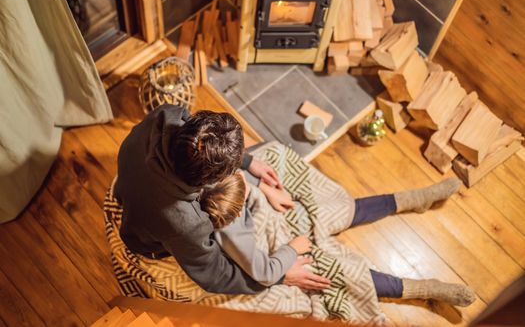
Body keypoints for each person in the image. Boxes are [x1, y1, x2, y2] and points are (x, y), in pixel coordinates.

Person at [114, 105, 330, 294]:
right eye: (232, 169)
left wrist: (246, 161)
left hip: (130, 182)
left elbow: (201, 142)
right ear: (208, 183)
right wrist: (279, 278)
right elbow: (216, 276)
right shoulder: (186, 223)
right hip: (144, 240)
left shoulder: (168, 115)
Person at [201, 172, 476, 307]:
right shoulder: (234, 232)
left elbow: (239, 176)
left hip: (275, 217)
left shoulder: (217, 178)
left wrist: (262, 187)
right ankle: (423, 288)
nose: (245, 180)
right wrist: (291, 250)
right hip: (275, 250)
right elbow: (264, 271)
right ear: (236, 209)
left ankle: (413, 199)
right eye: (245, 186)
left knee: (332, 210)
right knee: (333, 273)